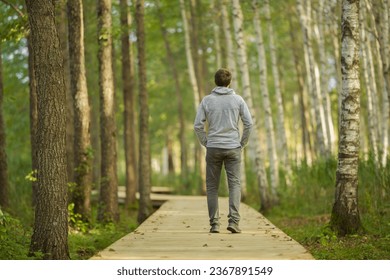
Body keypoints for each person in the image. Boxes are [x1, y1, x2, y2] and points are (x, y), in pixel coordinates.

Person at [194, 68, 253, 234]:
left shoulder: (207, 100)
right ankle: (234, 222)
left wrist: (206, 142)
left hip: (213, 147)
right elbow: (249, 124)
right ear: (230, 82)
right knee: (234, 184)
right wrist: (242, 143)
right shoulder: (238, 100)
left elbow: (198, 125)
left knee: (212, 187)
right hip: (233, 147)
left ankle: (214, 224)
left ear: (215, 82)